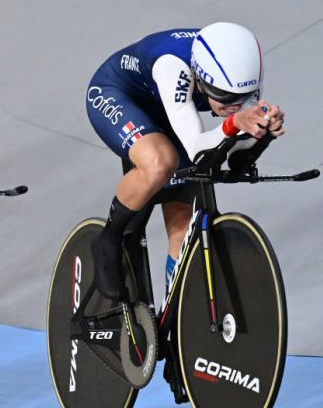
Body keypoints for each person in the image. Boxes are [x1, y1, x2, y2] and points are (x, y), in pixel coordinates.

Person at [85, 22, 285, 302]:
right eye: (225, 98)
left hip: (175, 106)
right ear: (200, 79)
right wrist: (233, 124)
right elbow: (197, 149)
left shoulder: (240, 71)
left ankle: (175, 318)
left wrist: (261, 134)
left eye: (242, 99)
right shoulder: (172, 67)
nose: (234, 106)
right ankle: (108, 240)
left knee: (183, 226)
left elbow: (234, 152)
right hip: (119, 94)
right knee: (161, 163)